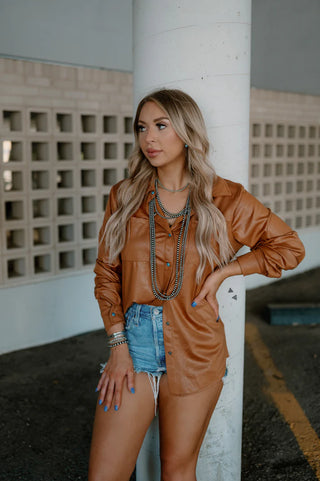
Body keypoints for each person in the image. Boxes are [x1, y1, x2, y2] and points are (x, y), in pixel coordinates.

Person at [88, 89, 305, 481]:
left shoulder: (226, 198)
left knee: (177, 469)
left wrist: (225, 271)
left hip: (196, 345)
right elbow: (107, 273)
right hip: (133, 343)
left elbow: (289, 248)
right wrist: (118, 345)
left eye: (160, 126)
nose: (148, 139)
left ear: (186, 131)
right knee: (105, 475)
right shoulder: (124, 195)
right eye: (142, 128)